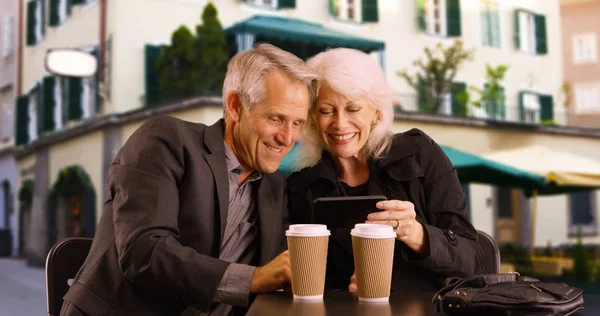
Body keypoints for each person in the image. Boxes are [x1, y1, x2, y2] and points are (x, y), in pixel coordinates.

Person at [60, 43, 320, 316]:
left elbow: (282, 270)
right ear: (235, 107)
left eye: (297, 123)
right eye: (276, 118)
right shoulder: (165, 140)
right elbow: (143, 251)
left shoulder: (274, 185)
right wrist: (254, 278)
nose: (287, 138)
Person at [286, 48, 483, 293]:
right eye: (326, 111)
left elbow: (471, 260)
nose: (340, 123)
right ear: (313, 117)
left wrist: (415, 232)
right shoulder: (301, 186)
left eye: (353, 109)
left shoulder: (420, 154)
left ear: (376, 113)